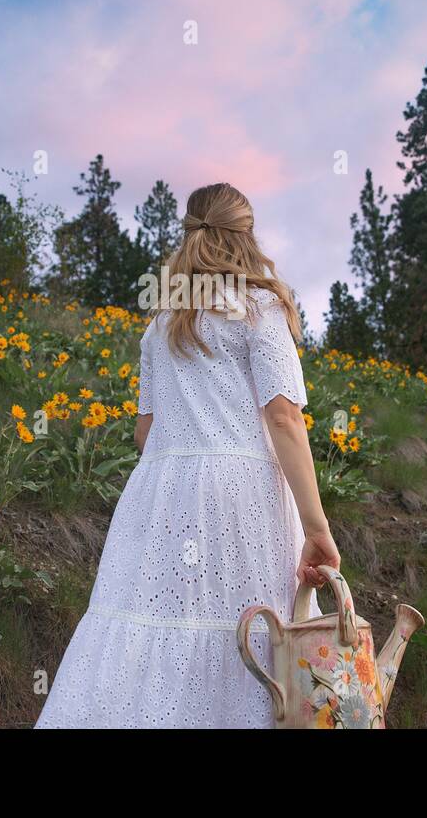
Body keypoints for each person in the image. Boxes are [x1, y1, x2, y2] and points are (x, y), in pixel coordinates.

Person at [36, 181, 340, 728]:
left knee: (148, 632)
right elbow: (284, 418)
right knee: (249, 635)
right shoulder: (259, 308)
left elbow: (144, 432)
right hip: (241, 497)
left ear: (189, 233)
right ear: (246, 235)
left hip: (161, 496)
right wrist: (317, 527)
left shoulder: (161, 324)